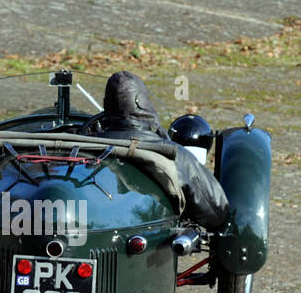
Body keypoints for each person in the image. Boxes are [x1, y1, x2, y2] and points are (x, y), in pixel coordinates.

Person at [81, 71, 229, 229]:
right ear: (142, 102)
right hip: (153, 243)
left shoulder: (84, 148)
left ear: (107, 105)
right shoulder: (173, 154)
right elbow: (216, 212)